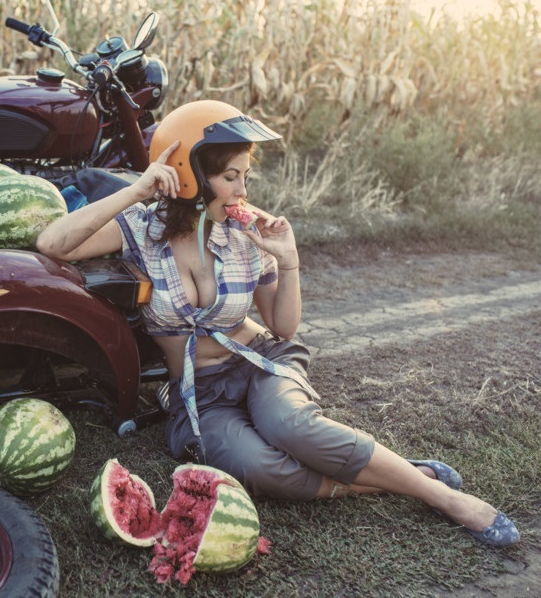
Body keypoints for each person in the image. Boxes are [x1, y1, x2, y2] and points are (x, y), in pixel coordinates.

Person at [36, 100, 520, 547]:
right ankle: (397, 480)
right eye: (230, 177)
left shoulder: (246, 235)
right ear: (190, 175)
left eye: (245, 176)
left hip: (258, 360)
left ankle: (443, 497)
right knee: (257, 466)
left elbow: (284, 328)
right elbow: (54, 244)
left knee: (291, 427)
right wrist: (138, 189)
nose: (243, 191)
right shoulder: (141, 228)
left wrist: (288, 262)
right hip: (199, 390)